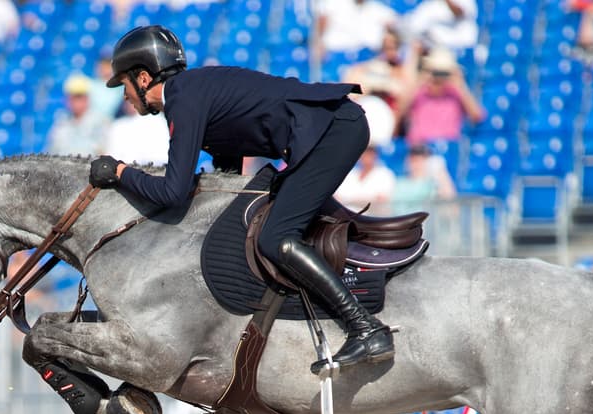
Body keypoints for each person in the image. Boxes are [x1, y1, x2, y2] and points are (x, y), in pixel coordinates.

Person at [89, 25, 394, 374]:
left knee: (275, 237)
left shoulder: (183, 99)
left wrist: (121, 173)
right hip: (332, 129)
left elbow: (173, 192)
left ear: (143, 78)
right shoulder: (191, 93)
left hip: (334, 131)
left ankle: (366, 327)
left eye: (124, 84)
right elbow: (228, 172)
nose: (124, 95)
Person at [403, 46, 484, 148]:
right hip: (420, 149)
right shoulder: (419, 92)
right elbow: (401, 111)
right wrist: (421, 80)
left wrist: (460, 85)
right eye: (435, 71)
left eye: (442, 72)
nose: (438, 77)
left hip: (448, 149)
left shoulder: (455, 93)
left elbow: (477, 116)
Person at [46, 73, 111, 156]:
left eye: (78, 96)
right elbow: (52, 150)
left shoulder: (100, 121)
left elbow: (103, 152)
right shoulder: (61, 121)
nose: (74, 101)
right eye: (71, 96)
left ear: (87, 98)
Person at [334, 145, 396, 214]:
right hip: (350, 215)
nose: (366, 157)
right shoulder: (351, 174)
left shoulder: (384, 174)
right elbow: (338, 197)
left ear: (375, 156)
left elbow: (382, 198)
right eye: (364, 154)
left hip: (375, 216)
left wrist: (351, 198)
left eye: (369, 154)